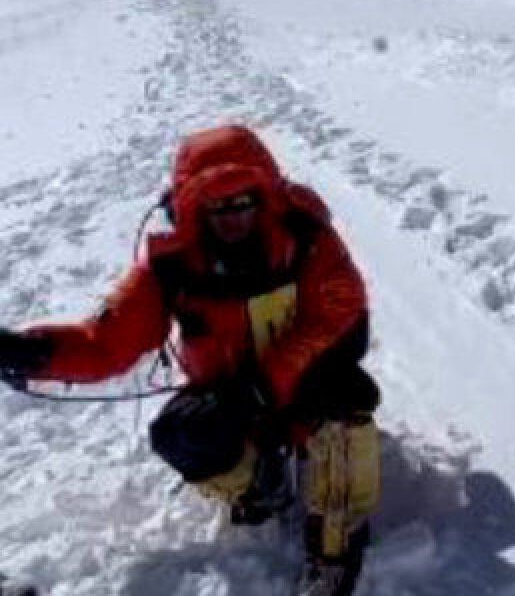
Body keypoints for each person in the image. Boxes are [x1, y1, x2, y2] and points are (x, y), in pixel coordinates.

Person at [0, 125, 380, 596]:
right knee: (178, 433)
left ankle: (335, 548)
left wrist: (265, 381)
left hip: (303, 383)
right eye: (217, 206)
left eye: (242, 201)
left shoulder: (304, 236)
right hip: (233, 403)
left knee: (346, 404)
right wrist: (33, 354)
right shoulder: (170, 267)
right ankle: (259, 489)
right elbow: (105, 344)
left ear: (262, 196)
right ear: (194, 207)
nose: (232, 217)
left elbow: (341, 305)